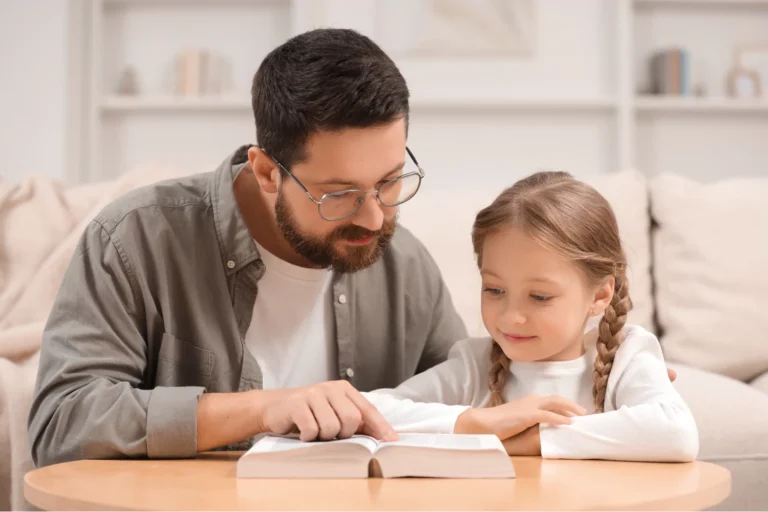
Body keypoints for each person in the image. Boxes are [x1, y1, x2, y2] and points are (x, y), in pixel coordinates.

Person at [28, 28, 676, 467]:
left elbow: (475, 397)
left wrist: (599, 366)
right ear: (265, 170)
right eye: (338, 194)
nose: (374, 216)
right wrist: (264, 408)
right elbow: (61, 424)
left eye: (391, 181)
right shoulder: (138, 238)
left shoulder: (403, 263)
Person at [366, 172, 698, 461]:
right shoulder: (474, 365)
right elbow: (371, 410)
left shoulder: (627, 357)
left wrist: (532, 441)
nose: (512, 318)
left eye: (539, 297)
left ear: (599, 295)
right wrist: (472, 423)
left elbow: (676, 433)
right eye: (494, 290)